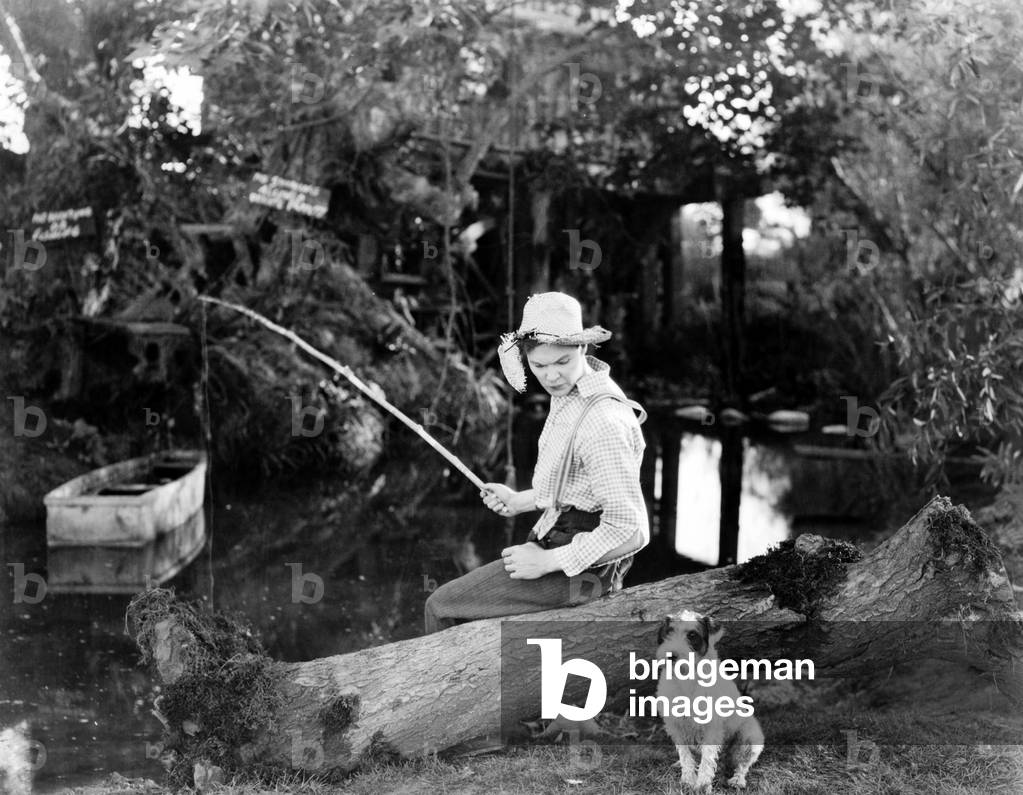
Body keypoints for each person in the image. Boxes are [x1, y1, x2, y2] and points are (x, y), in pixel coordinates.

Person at [424, 291, 649, 634]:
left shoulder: (603, 421)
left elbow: (628, 531)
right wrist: (519, 501)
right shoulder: (571, 395)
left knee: (441, 606)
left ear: (583, 349)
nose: (551, 377)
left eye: (561, 363)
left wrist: (547, 562)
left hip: (589, 567)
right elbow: (575, 486)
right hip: (557, 534)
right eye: (539, 365)